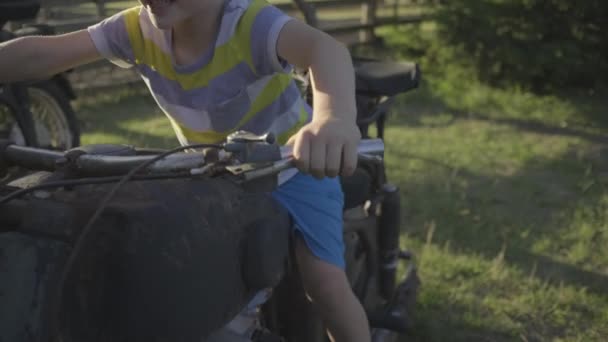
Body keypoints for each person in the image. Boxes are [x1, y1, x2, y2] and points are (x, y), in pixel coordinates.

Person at [0, 0, 370, 340]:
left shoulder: (250, 23)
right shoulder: (138, 28)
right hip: (214, 174)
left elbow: (325, 51)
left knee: (324, 286)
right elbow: (42, 54)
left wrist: (333, 119)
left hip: (295, 167)